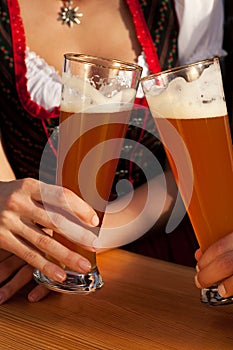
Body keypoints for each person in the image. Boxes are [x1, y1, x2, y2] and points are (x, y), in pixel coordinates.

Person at [0, 0, 231, 304]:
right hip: (37, 267)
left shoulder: (188, 6)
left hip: (177, 260)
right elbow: (8, 188)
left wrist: (81, 237)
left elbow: (196, 169)